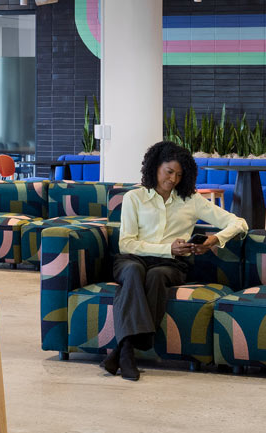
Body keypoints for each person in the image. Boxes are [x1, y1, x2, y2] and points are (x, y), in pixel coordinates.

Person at [105, 141, 248, 381]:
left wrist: (214, 240)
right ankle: (127, 350)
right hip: (133, 258)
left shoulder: (191, 200)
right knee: (132, 271)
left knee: (156, 276)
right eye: (169, 172)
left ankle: (122, 349)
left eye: (179, 175)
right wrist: (167, 248)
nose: (173, 179)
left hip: (171, 265)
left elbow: (239, 222)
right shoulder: (134, 198)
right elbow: (126, 243)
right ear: (155, 167)